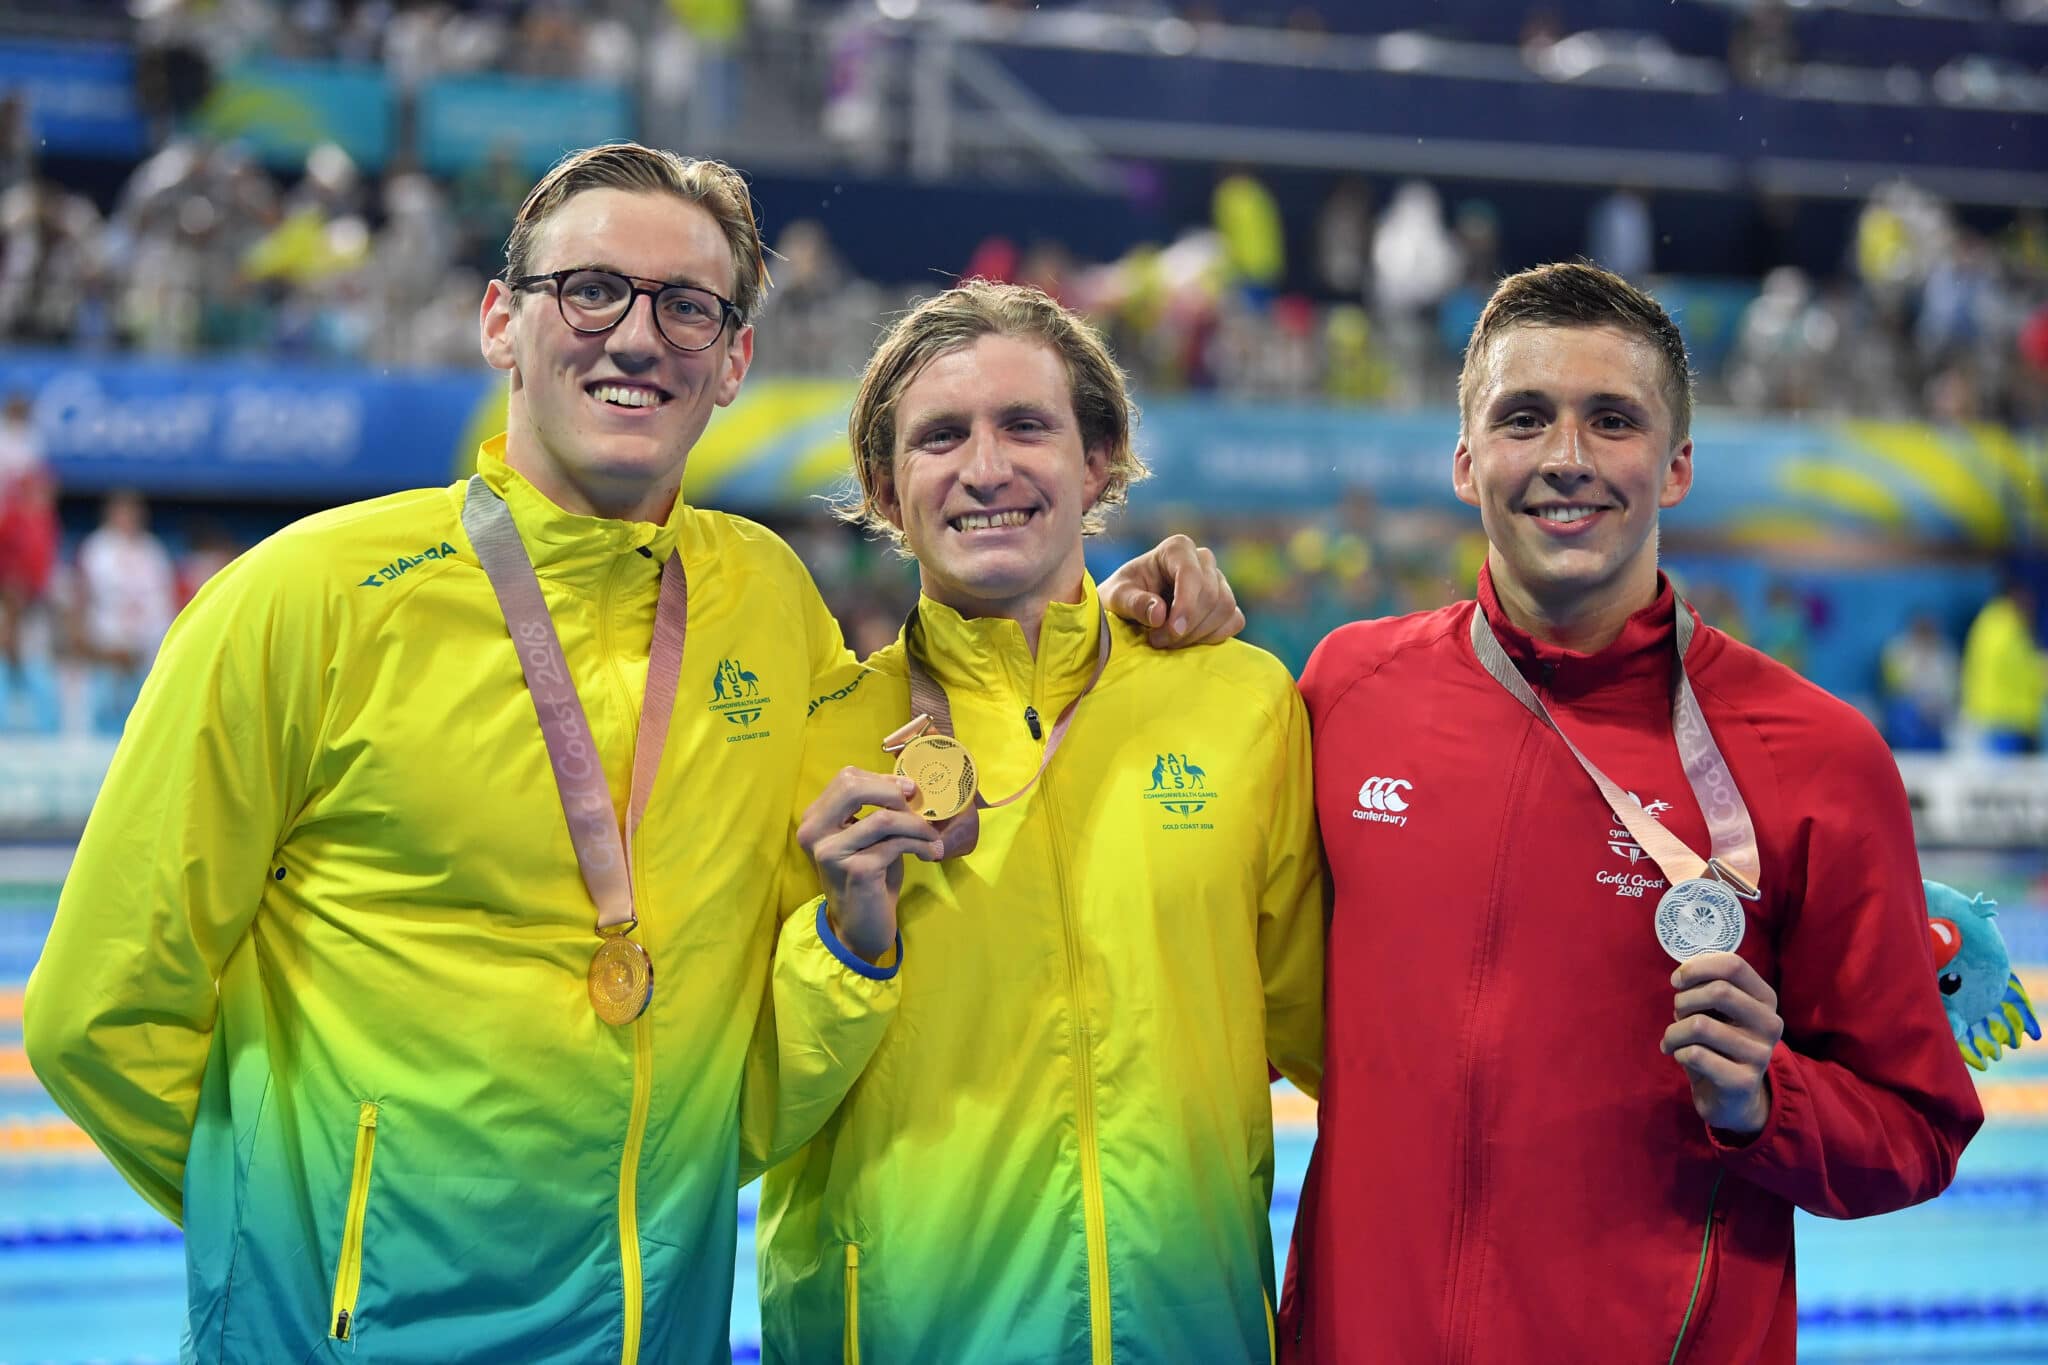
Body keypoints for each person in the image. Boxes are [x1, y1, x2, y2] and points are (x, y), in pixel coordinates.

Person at [24, 143, 1239, 1364]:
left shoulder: (765, 603)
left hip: (647, 1336)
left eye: (686, 306)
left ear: (732, 360)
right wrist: (311, 1246)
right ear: (502, 320)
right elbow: (98, 1013)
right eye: (590, 288)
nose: (637, 335)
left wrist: (1130, 609)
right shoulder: (302, 599)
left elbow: (965, 714)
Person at [1280, 262, 1982, 1363]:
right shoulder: (1345, 693)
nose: (1565, 458)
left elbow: (1917, 1130)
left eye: (1611, 420)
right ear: (1465, 461)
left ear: (1677, 464)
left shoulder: (1817, 757)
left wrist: (1767, 1102)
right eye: (1523, 419)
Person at [756, 281, 1324, 1363]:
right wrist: (840, 946)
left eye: (1025, 425)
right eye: (939, 437)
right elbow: (740, 1116)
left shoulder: (1238, 704)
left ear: (1095, 461)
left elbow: (1323, 1036)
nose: (985, 468)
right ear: (884, 484)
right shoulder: (810, 737)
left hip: (1185, 1336)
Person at [71, 487, 177, 735]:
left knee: (144, 730)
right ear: (110, 514)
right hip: (104, 659)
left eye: (133, 512)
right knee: (96, 729)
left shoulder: (154, 552)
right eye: (122, 512)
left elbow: (165, 605)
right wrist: (96, 648)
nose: (128, 518)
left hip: (145, 661)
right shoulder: (96, 549)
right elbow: (81, 602)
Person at [1958, 572, 2045, 754]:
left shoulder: (1989, 622)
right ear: (2017, 596)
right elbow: (2022, 673)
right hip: (2004, 722)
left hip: (1989, 718)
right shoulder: (2006, 629)